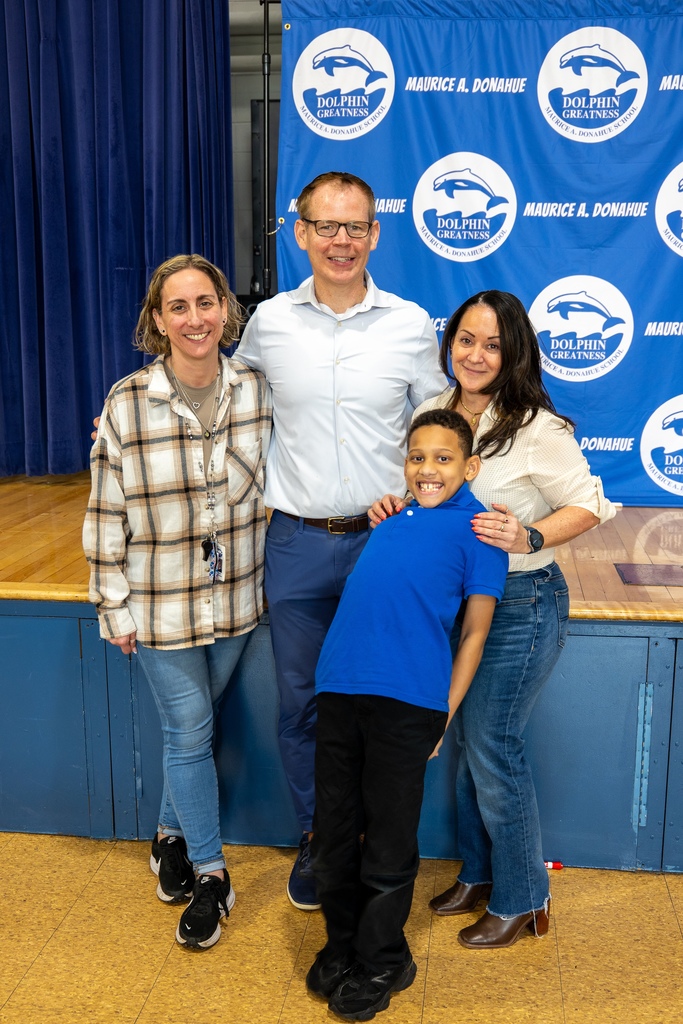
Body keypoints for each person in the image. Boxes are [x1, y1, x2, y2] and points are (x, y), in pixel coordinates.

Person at [370, 290, 616, 949]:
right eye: (465, 341)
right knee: (466, 751)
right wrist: (399, 505)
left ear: (513, 354)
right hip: (451, 606)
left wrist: (528, 536)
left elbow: (590, 504)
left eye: (491, 345)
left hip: (519, 608)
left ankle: (523, 898)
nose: (475, 355)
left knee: (492, 747)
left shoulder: (537, 426)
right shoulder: (432, 413)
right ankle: (479, 875)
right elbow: (431, 492)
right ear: (448, 344)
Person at [235, 171, 445, 909]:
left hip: (383, 546)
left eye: (355, 227)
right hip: (293, 543)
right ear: (300, 232)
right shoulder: (267, 325)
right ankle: (318, 842)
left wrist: (417, 491)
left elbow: (439, 435)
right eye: (326, 226)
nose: (341, 241)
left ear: (375, 234)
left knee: (381, 705)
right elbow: (222, 402)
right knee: (301, 706)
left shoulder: (411, 325)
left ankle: (376, 847)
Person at [83, 254, 272, 951]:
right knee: (191, 727)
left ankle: (168, 834)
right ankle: (212, 877)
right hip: (159, 600)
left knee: (192, 728)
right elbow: (106, 511)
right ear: (157, 321)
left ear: (225, 308)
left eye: (206, 302)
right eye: (178, 307)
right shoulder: (127, 402)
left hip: (235, 598)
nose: (194, 319)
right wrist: (113, 603)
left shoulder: (256, 388)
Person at [306, 408, 508, 1021]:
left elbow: (473, 633)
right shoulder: (391, 518)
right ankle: (343, 946)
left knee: (389, 844)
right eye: (417, 457)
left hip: (410, 703)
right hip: (341, 690)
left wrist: (444, 713)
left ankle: (385, 959)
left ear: (470, 466)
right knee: (335, 835)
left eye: (443, 458)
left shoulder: (482, 533)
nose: (428, 469)